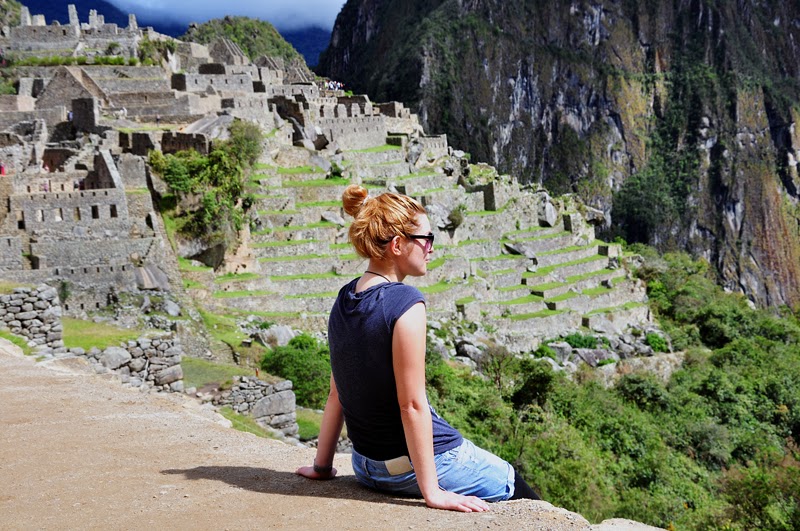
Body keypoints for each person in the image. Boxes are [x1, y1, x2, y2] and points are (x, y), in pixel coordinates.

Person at [297, 184, 539, 512]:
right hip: (410, 470)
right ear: (398, 244)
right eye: (426, 239)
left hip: (366, 467)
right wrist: (433, 493)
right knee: (515, 483)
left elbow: (337, 393)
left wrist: (321, 467)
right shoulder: (406, 302)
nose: (431, 249)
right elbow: (412, 404)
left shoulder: (344, 298)